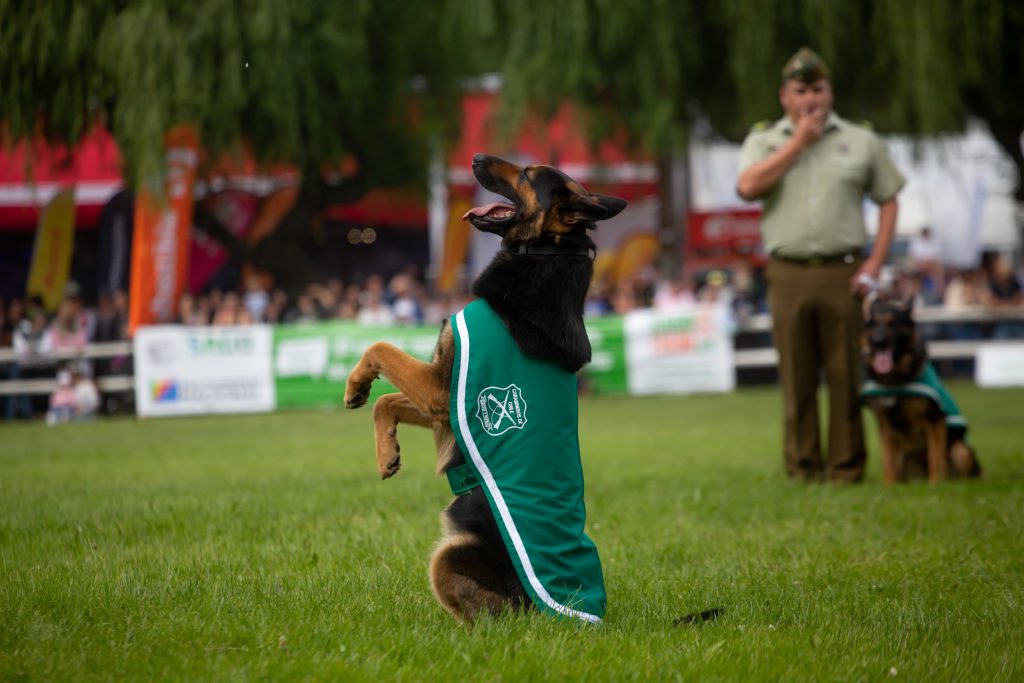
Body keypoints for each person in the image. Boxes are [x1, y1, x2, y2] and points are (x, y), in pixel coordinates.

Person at [737, 47, 906, 483]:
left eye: (818, 88)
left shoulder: (860, 139)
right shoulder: (764, 140)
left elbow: (889, 198)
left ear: (830, 93)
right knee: (796, 378)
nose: (810, 98)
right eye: (801, 90)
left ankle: (847, 469)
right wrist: (799, 143)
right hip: (787, 272)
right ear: (784, 97)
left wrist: (875, 263)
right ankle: (803, 468)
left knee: (846, 374)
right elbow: (748, 187)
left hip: (844, 272)